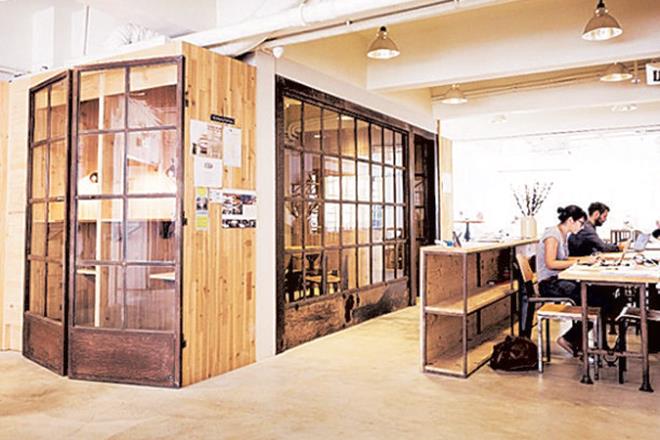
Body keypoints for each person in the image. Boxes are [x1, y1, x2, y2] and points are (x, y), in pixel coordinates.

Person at [537, 205, 598, 356]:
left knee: (597, 295)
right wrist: (580, 262)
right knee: (592, 298)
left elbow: (564, 260)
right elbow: (551, 263)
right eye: (580, 223)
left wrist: (585, 260)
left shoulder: (563, 235)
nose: (582, 227)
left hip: (557, 280)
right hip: (548, 284)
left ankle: (574, 339)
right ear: (571, 220)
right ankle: (570, 339)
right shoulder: (552, 235)